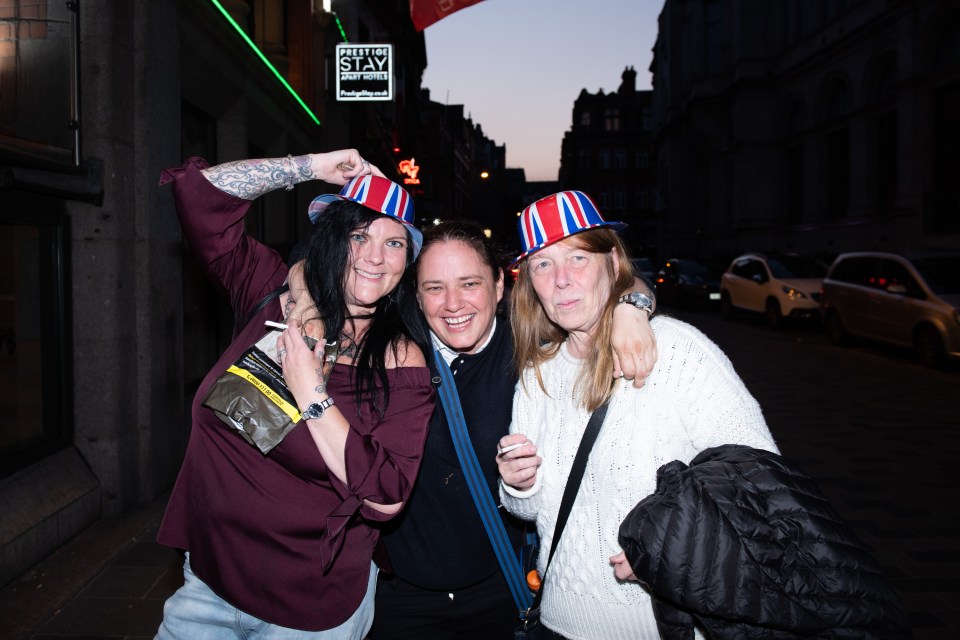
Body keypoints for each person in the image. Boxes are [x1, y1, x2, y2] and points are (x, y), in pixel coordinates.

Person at [154, 150, 435, 639]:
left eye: (394, 243)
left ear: (407, 262)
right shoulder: (271, 294)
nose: (374, 256)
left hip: (312, 606)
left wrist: (311, 390)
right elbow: (198, 197)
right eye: (359, 235)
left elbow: (386, 497)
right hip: (207, 583)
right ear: (331, 239)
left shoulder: (399, 360)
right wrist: (311, 167)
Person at [497, 191, 779, 640]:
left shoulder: (679, 351)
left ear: (612, 261)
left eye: (577, 258)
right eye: (543, 265)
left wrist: (671, 544)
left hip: (664, 625)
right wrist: (518, 481)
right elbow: (529, 510)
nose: (561, 280)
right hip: (556, 620)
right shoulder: (537, 374)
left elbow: (761, 478)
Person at [370, 220, 659, 640]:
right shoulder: (394, 354)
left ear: (500, 286)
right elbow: (328, 279)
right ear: (416, 294)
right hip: (401, 596)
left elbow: (596, 294)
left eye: (469, 283)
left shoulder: (533, 355)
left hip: (502, 588)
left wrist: (632, 306)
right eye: (434, 288)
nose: (452, 304)